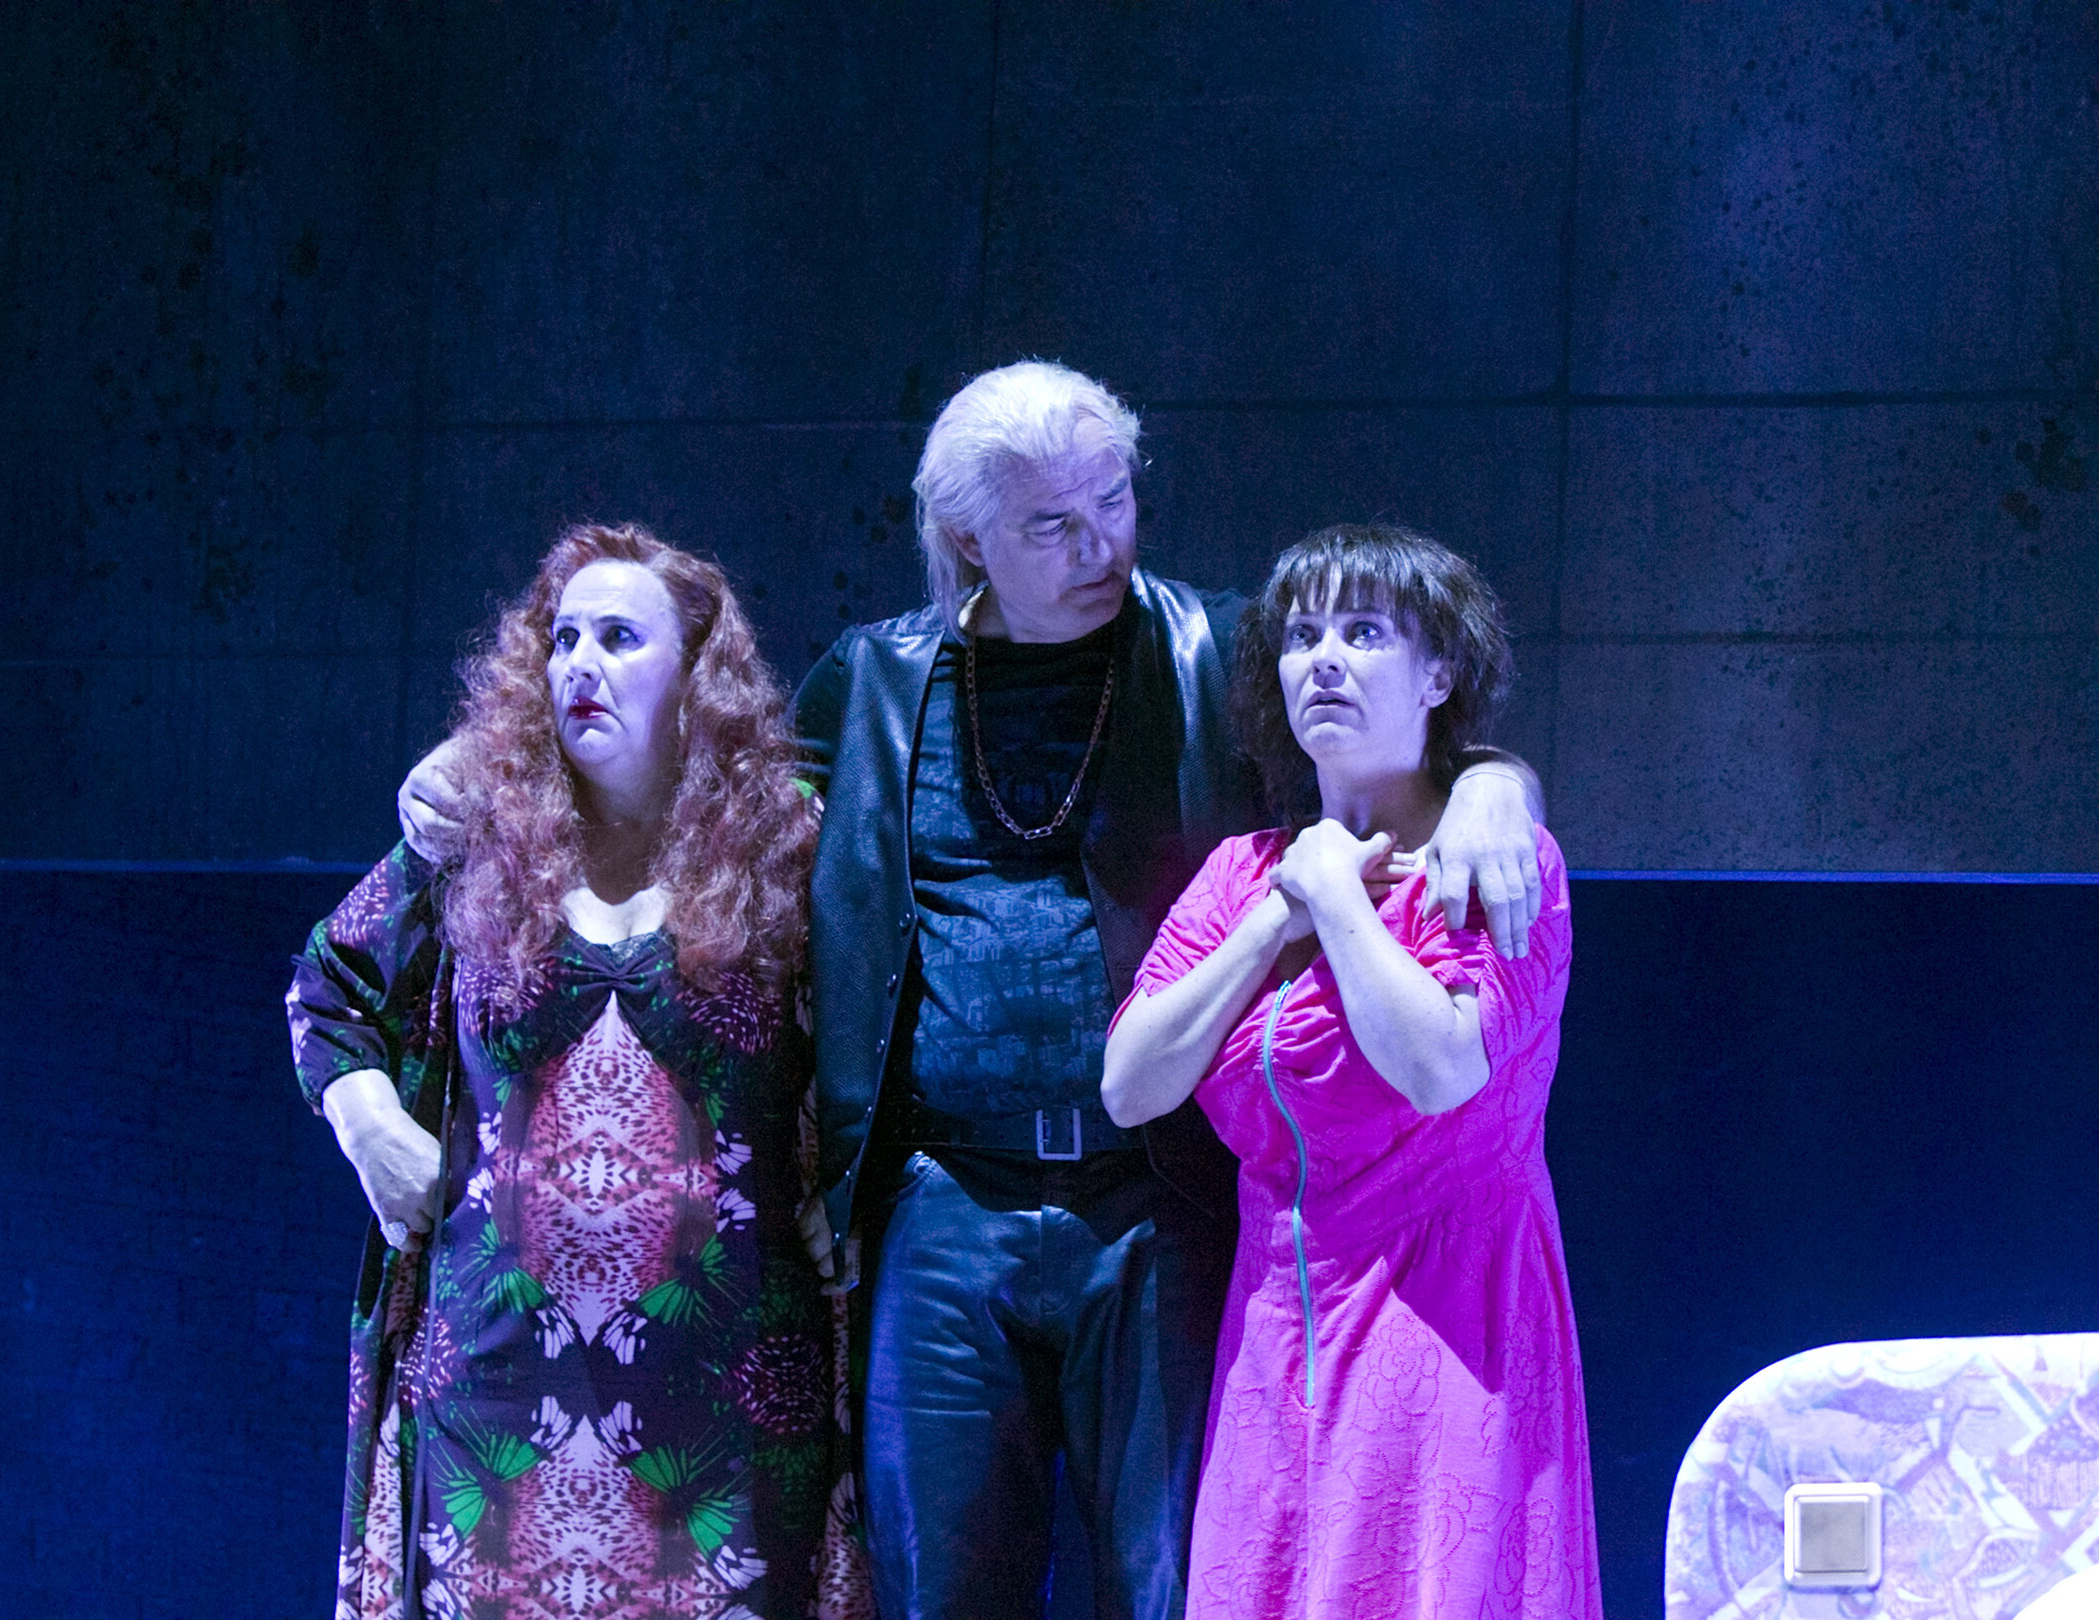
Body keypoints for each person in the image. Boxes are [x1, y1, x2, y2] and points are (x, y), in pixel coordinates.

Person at [397, 363, 1548, 1620]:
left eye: (1114, 499)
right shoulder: (876, 681)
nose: (1100, 543)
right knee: (939, 1589)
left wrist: (1496, 782)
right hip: (944, 1200)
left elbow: (1374, 732)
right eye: (1053, 523)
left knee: (1170, 1585)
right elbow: (696, 789)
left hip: (1157, 1197)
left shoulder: (1213, 650)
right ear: (966, 540)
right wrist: (489, 755)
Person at [289, 523, 865, 1620]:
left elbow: (889, 1017)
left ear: (696, 678)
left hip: (726, 1406)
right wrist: (370, 1128)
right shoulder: (481, 836)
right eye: (562, 640)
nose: (580, 665)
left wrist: (852, 1176)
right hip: (496, 1399)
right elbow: (329, 983)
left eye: (618, 638)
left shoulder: (791, 843)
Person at [1102, 524, 1598, 1619]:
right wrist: (1278, 912)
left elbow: (1440, 1068)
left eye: (1364, 633)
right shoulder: (1243, 874)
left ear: (1439, 675)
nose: (1323, 659)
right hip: (1276, 1330)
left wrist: (1337, 899)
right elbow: (1131, 1084)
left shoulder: (1494, 859)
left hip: (1445, 1323)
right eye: (1302, 636)